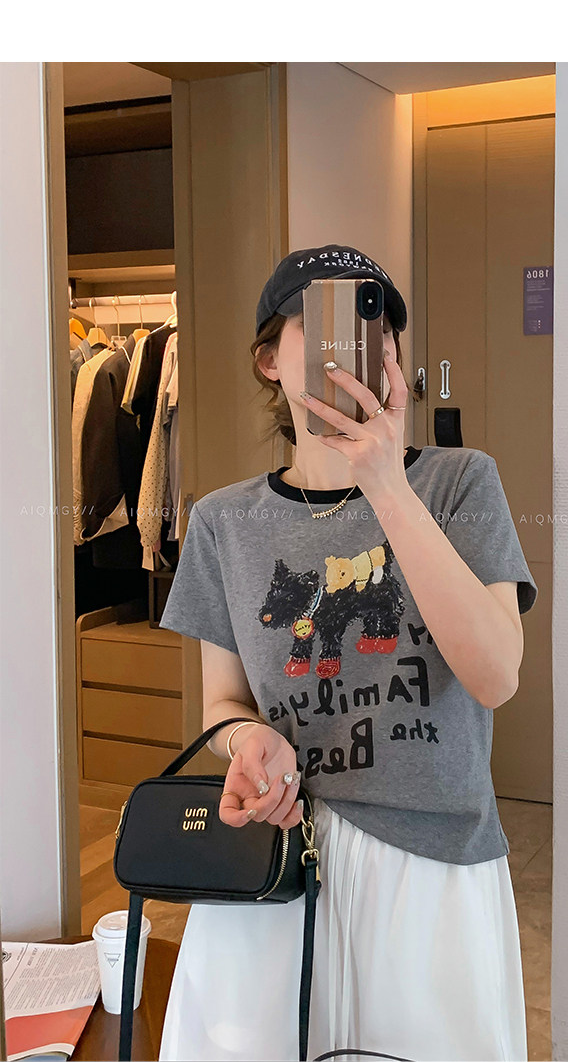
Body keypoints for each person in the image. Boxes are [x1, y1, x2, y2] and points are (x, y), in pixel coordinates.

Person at [156, 244, 538, 1062]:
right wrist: (247, 740)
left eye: (376, 324)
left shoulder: (460, 483)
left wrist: (385, 484)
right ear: (270, 358)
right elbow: (223, 703)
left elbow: (496, 676)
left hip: (431, 863)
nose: (356, 345)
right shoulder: (223, 521)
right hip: (278, 855)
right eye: (323, 321)